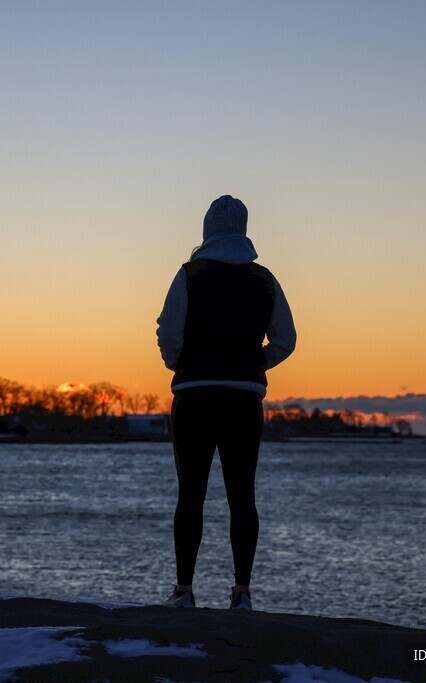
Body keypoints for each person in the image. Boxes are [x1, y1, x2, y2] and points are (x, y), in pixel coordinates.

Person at [155, 195, 297, 611]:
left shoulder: (189, 274)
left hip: (194, 395)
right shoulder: (265, 279)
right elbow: (286, 340)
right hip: (243, 399)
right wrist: (255, 364)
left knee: (190, 495)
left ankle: (183, 591)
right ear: (244, 228)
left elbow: (169, 330)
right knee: (242, 496)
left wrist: (177, 362)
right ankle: (242, 593)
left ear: (207, 229)